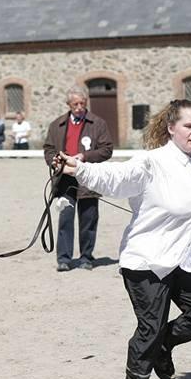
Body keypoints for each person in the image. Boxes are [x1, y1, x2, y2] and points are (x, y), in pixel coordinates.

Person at [54, 99, 191, 379]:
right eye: (189, 126)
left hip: (187, 258)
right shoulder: (151, 162)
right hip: (147, 261)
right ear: (171, 128)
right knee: (150, 327)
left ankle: (166, 343)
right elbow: (114, 178)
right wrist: (77, 168)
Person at [43, 85, 113, 271]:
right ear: (68, 105)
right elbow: (48, 149)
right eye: (75, 104)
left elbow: (107, 150)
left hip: (88, 178)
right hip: (65, 180)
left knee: (88, 219)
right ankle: (64, 259)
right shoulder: (56, 125)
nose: (79, 107)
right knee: (65, 219)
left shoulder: (98, 124)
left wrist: (84, 157)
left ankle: (86, 257)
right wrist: (56, 163)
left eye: (82, 103)